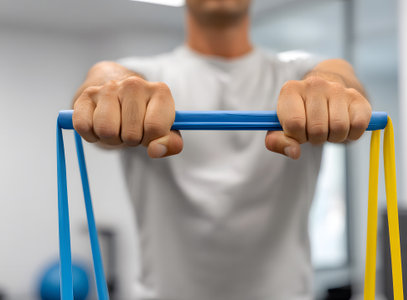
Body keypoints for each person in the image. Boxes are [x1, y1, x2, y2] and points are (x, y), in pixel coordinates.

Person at [72, 0, 371, 299]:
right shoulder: (142, 76)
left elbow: (341, 80)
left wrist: (335, 89)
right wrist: (105, 87)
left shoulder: (303, 74)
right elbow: (104, 81)